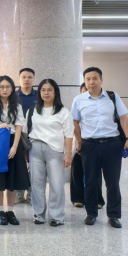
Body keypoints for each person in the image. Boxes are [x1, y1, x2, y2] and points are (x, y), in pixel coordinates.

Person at [72, 67, 128, 229]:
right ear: (85, 81)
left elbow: (123, 118)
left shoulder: (113, 97)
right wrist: (79, 142)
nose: (91, 82)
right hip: (89, 145)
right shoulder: (79, 100)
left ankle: (114, 216)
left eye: (94, 78)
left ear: (101, 80)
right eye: (88, 79)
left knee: (113, 182)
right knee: (91, 181)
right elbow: (75, 122)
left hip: (112, 144)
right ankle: (91, 213)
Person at [0, 76, 30, 226]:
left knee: (12, 180)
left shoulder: (17, 106)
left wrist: (15, 147)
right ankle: (1, 211)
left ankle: (10, 211)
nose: (4, 89)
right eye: (1, 87)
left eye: (8, 87)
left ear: (12, 88)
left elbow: (19, 126)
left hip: (13, 142)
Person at [27, 79, 74, 227]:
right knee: (36, 184)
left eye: (49, 90)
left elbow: (68, 135)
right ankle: (39, 214)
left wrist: (68, 154)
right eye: (43, 90)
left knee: (57, 184)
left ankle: (56, 216)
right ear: (39, 92)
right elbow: (26, 130)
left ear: (55, 92)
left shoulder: (63, 112)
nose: (46, 93)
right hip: (35, 149)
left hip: (55, 150)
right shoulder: (33, 110)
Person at [70, 83, 106, 209]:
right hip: (78, 144)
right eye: (83, 91)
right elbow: (72, 124)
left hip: (94, 145)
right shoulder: (77, 104)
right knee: (77, 172)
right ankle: (78, 198)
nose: (86, 93)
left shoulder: (99, 106)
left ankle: (97, 199)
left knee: (95, 174)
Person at [16, 67, 38, 205]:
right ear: (19, 79)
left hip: (35, 135)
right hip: (17, 135)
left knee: (34, 167)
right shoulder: (14, 95)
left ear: (34, 79)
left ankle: (31, 195)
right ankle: (18, 194)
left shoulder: (39, 95)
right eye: (24, 77)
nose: (27, 79)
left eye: (29, 77)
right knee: (19, 165)